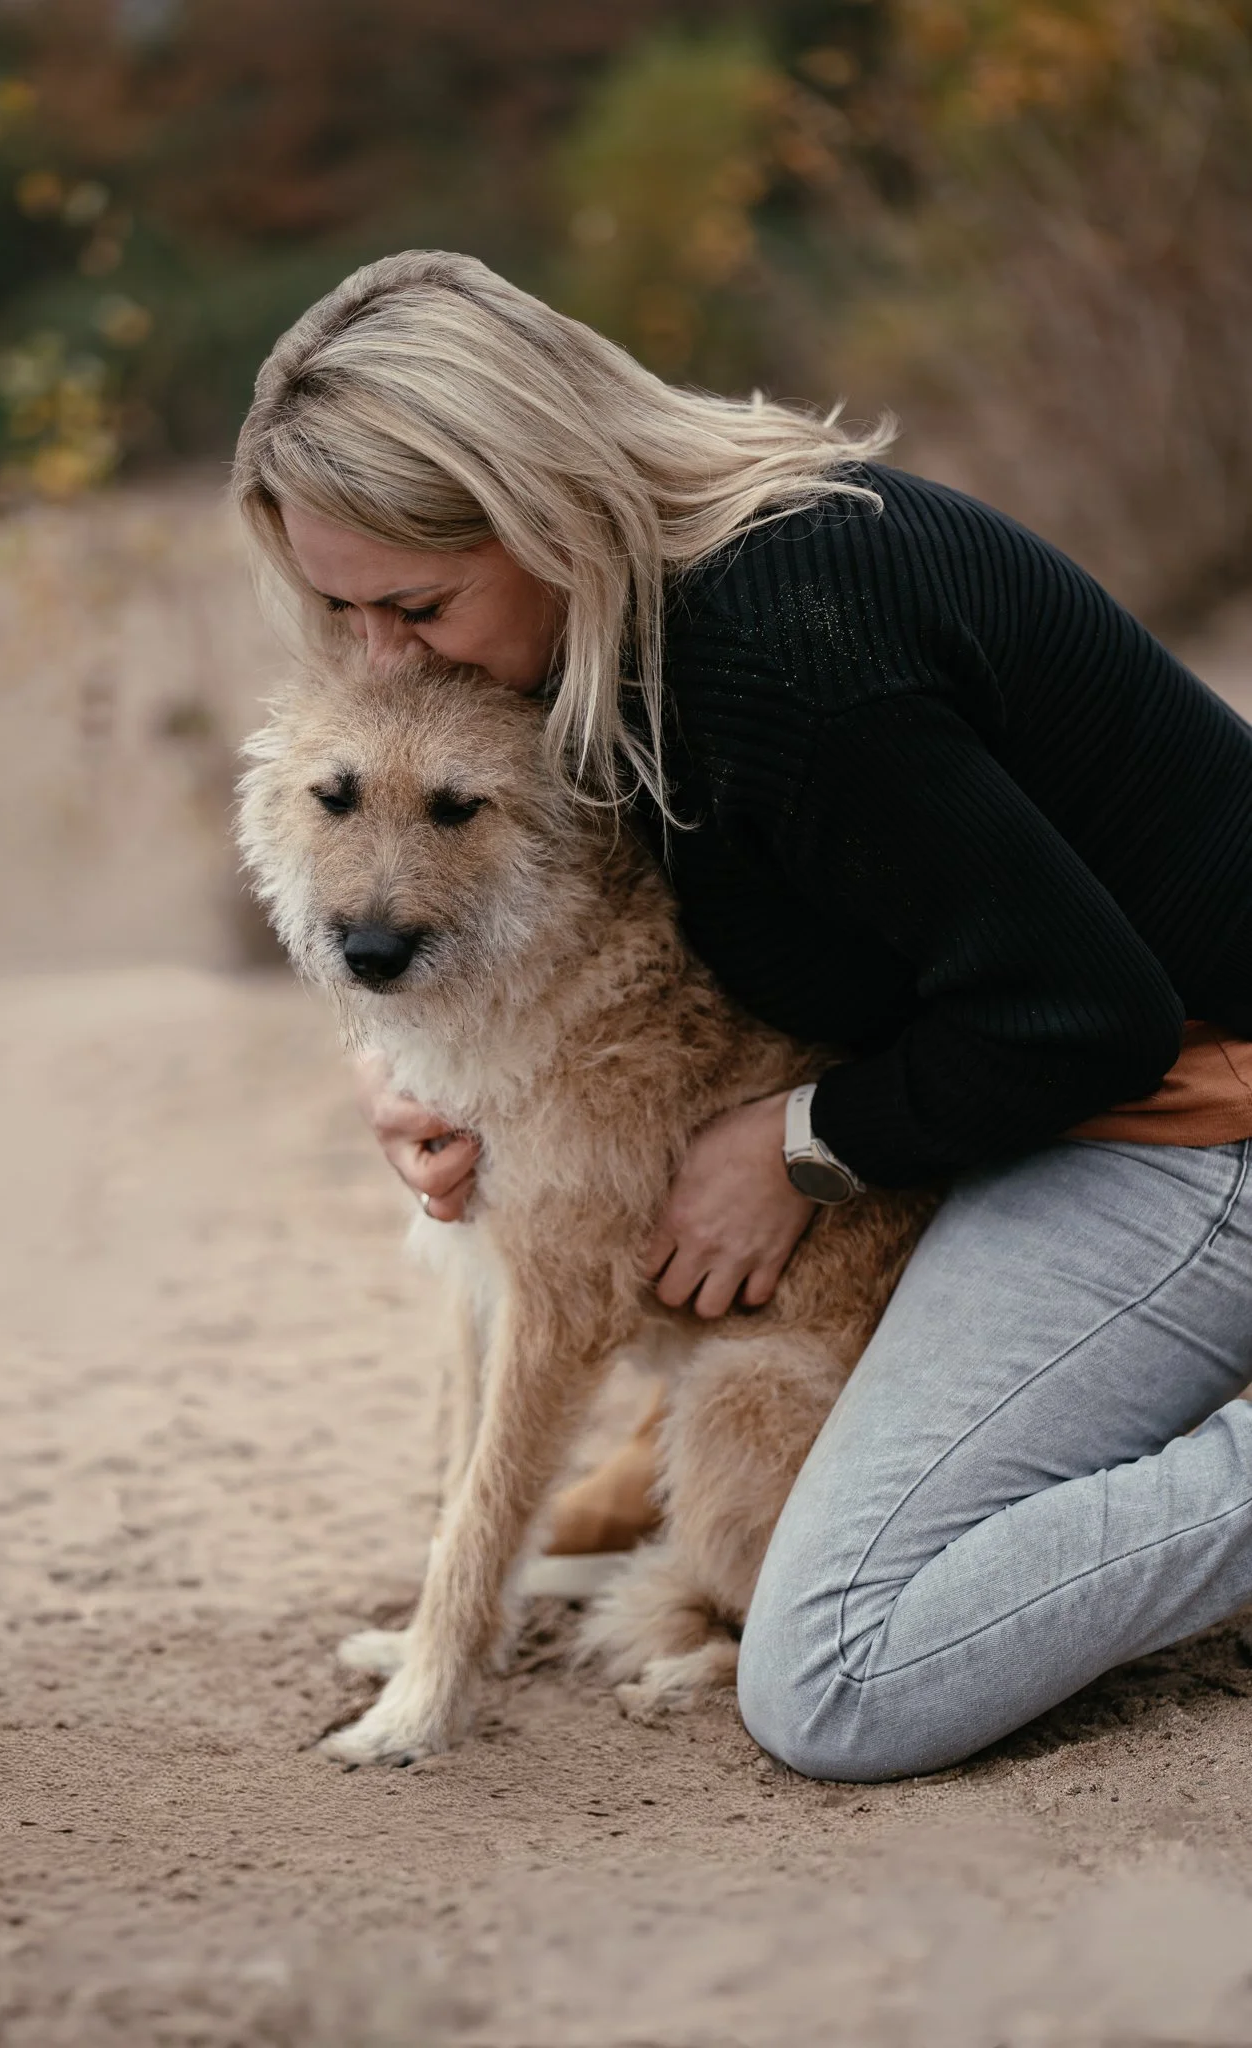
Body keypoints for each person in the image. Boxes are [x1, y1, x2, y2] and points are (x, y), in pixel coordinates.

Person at [233, 249, 1252, 1781]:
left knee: (839, 1678)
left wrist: (807, 1143)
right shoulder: (616, 645)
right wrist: (415, 1072)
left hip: (1191, 1115)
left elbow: (1088, 1015)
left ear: (545, 506)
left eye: (419, 604)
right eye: (342, 610)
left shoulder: (782, 646)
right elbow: (595, 954)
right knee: (707, 1508)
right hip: (1041, 1113)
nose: (385, 658)